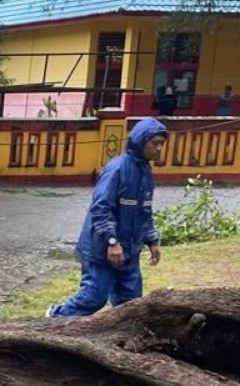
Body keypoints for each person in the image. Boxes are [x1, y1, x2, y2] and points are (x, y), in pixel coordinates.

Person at [48, 118, 168, 318]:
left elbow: (144, 212)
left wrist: (152, 240)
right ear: (140, 141)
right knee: (94, 297)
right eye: (154, 143)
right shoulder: (117, 169)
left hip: (129, 251)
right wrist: (112, 242)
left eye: (161, 144)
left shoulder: (146, 173)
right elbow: (101, 208)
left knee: (131, 305)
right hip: (101, 249)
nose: (159, 149)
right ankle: (55, 318)